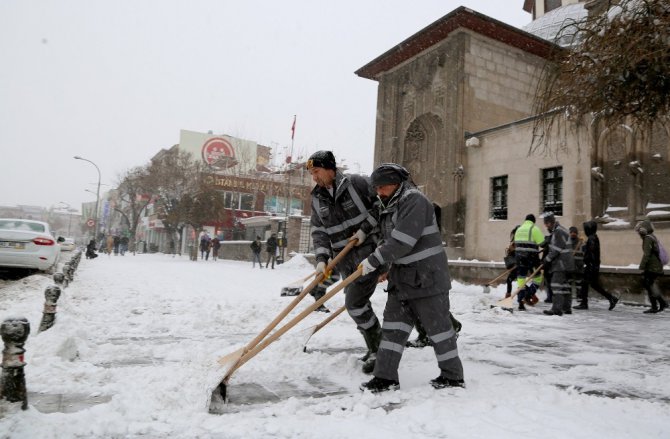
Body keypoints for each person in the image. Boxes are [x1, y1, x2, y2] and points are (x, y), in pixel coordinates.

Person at [359, 163, 464, 393]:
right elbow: (387, 241)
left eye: (382, 187)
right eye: (376, 188)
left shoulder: (414, 201)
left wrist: (373, 261)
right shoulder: (390, 205)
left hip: (428, 279)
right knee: (393, 330)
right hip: (403, 279)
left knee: (439, 330)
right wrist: (386, 266)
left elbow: (401, 242)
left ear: (396, 184)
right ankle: (385, 378)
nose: (379, 192)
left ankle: (452, 376)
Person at [307, 150, 381, 373]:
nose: (314, 177)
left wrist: (365, 230)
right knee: (356, 304)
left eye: (317, 171)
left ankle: (381, 349)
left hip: (368, 254)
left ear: (331, 169)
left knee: (355, 303)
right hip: (343, 261)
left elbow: (381, 207)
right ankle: (375, 346)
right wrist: (321, 259)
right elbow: (319, 230)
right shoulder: (317, 199)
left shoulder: (357, 184)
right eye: (312, 173)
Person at [574, 221, 618, 311]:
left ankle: (584, 303)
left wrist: (587, 260)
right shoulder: (593, 237)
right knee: (594, 285)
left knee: (585, 283)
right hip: (593, 265)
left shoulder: (592, 238)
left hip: (591, 265)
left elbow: (591, 253)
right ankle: (611, 298)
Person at [542, 213, 575, 316]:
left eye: (546, 224)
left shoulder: (559, 231)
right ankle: (566, 307)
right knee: (564, 286)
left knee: (555, 285)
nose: (546, 226)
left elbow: (556, 249)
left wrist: (546, 259)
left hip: (561, 263)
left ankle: (557, 309)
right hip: (566, 263)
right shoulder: (561, 230)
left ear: (550, 222)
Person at [634, 219, 668, 314]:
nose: (638, 234)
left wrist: (641, 266)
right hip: (655, 266)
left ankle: (656, 306)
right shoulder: (652, 237)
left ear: (642, 231)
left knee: (648, 284)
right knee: (649, 284)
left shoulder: (647, 239)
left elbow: (647, 254)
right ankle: (661, 303)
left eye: (638, 231)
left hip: (653, 267)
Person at [513, 214, 545, 310]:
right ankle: (528, 295)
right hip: (531, 258)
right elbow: (542, 244)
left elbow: (517, 244)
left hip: (519, 258)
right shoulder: (534, 228)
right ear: (533, 221)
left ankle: (520, 302)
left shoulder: (519, 229)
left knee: (521, 279)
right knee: (538, 278)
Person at [505, 225, 520, 298]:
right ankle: (508, 295)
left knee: (512, 280)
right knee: (519, 281)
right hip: (514, 265)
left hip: (518, 265)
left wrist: (513, 250)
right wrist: (509, 251)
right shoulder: (514, 242)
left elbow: (519, 253)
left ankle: (508, 296)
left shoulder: (520, 242)